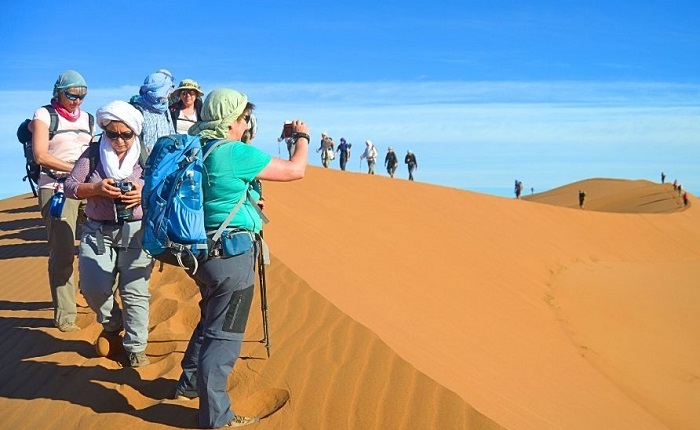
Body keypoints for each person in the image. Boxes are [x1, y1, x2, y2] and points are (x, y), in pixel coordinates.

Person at [174, 88, 309, 428]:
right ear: (232, 121)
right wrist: (302, 137)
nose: (247, 123)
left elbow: (215, 194)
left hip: (199, 254)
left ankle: (189, 382)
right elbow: (295, 170)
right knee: (224, 338)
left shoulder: (195, 148)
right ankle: (216, 418)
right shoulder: (232, 152)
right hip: (230, 258)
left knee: (211, 319)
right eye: (244, 117)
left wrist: (246, 203)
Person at [64, 101, 153, 367]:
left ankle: (136, 348)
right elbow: (70, 186)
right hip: (97, 231)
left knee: (134, 291)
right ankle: (113, 324)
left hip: (137, 231)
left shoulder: (146, 157)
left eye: (126, 134)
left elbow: (161, 187)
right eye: (112, 134)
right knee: (93, 287)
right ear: (104, 130)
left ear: (135, 133)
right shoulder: (92, 154)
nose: (119, 140)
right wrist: (97, 189)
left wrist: (142, 193)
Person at [29, 70, 94, 332]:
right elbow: (40, 155)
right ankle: (66, 316)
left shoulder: (89, 119)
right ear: (59, 92)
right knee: (63, 252)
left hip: (86, 188)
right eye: (72, 94)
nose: (77, 100)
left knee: (101, 246)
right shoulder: (44, 115)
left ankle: (100, 304)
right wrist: (73, 169)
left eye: (82, 95)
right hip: (55, 187)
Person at [132, 70, 176, 152]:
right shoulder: (136, 110)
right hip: (143, 162)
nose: (169, 93)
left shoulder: (165, 109)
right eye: (167, 89)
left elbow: (172, 134)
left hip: (164, 160)